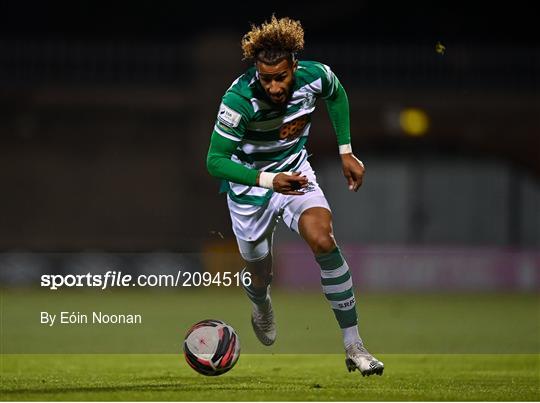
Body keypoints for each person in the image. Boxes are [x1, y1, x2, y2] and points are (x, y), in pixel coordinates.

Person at [206, 15, 384, 376]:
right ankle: (260, 303)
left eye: (281, 77)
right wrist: (270, 181)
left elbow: (336, 93)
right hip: (250, 188)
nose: (273, 87)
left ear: (294, 67)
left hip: (296, 173)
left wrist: (346, 150)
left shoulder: (314, 76)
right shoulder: (239, 99)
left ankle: (354, 345)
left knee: (323, 239)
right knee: (259, 273)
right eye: (266, 78)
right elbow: (215, 161)